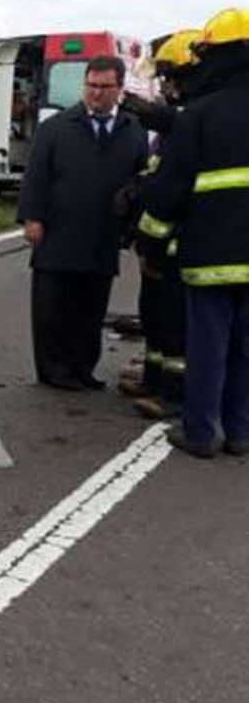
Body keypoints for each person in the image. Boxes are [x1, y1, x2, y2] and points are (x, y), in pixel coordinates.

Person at [143, 8, 249, 457]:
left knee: (207, 343)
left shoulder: (200, 115)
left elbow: (171, 191)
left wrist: (152, 238)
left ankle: (200, 433)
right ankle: (241, 433)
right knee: (246, 348)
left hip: (209, 254)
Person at [18, 54, 148, 391]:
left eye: (105, 87)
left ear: (119, 88)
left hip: (103, 235)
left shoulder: (133, 132)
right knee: (52, 309)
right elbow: (36, 178)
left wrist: (132, 224)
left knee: (90, 309)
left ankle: (82, 368)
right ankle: (53, 370)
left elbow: (143, 177)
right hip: (58, 233)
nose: (96, 94)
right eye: (91, 86)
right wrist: (32, 217)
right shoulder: (55, 129)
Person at [121, 30, 203, 418]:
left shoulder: (195, 122)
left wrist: (150, 242)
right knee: (154, 316)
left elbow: (173, 188)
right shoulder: (180, 122)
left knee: (175, 326)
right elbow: (158, 173)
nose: (164, 87)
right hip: (161, 245)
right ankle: (154, 379)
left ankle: (173, 394)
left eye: (169, 78)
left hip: (178, 245)